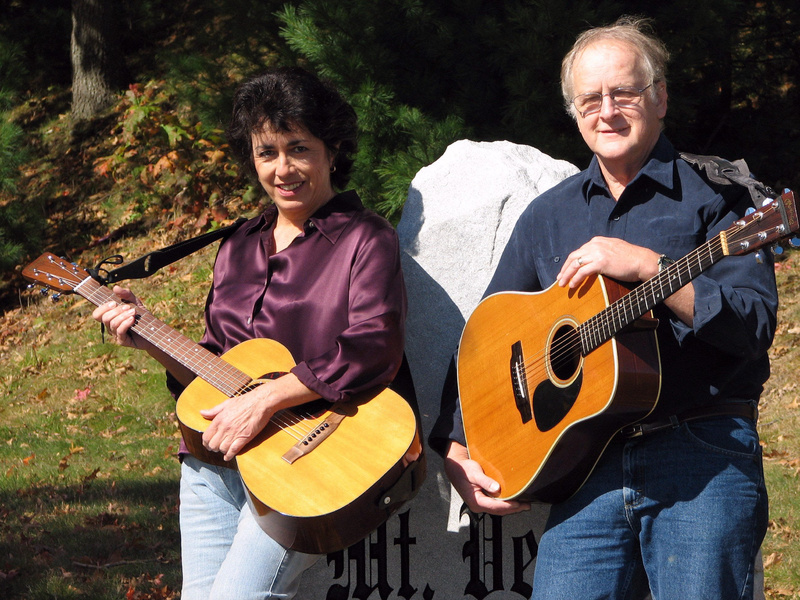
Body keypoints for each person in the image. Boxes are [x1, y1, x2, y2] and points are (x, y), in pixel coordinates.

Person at [431, 16, 776, 600]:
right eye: (590, 98)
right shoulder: (548, 216)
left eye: (624, 93)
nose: (607, 110)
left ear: (659, 98)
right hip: (585, 467)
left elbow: (754, 324)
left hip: (701, 453)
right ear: (574, 112)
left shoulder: (720, 199)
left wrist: (650, 269)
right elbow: (486, 339)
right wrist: (458, 445)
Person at [93, 66, 413, 599]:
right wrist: (146, 335)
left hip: (307, 457)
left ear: (331, 149)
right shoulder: (238, 244)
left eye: (298, 148)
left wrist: (268, 398)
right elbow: (215, 364)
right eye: (267, 152)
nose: (282, 169)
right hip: (211, 462)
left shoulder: (365, 238)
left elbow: (375, 343)